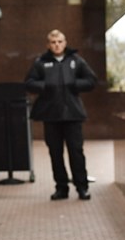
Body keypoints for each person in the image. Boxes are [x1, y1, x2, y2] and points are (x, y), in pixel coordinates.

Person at [24, 29, 97, 201]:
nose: (57, 45)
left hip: (72, 114)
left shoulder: (76, 60)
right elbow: (29, 83)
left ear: (65, 43)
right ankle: (61, 188)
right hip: (51, 115)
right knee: (55, 153)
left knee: (76, 152)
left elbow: (91, 80)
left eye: (60, 41)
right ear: (48, 45)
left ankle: (82, 187)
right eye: (53, 42)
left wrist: (74, 83)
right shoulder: (41, 62)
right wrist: (46, 85)